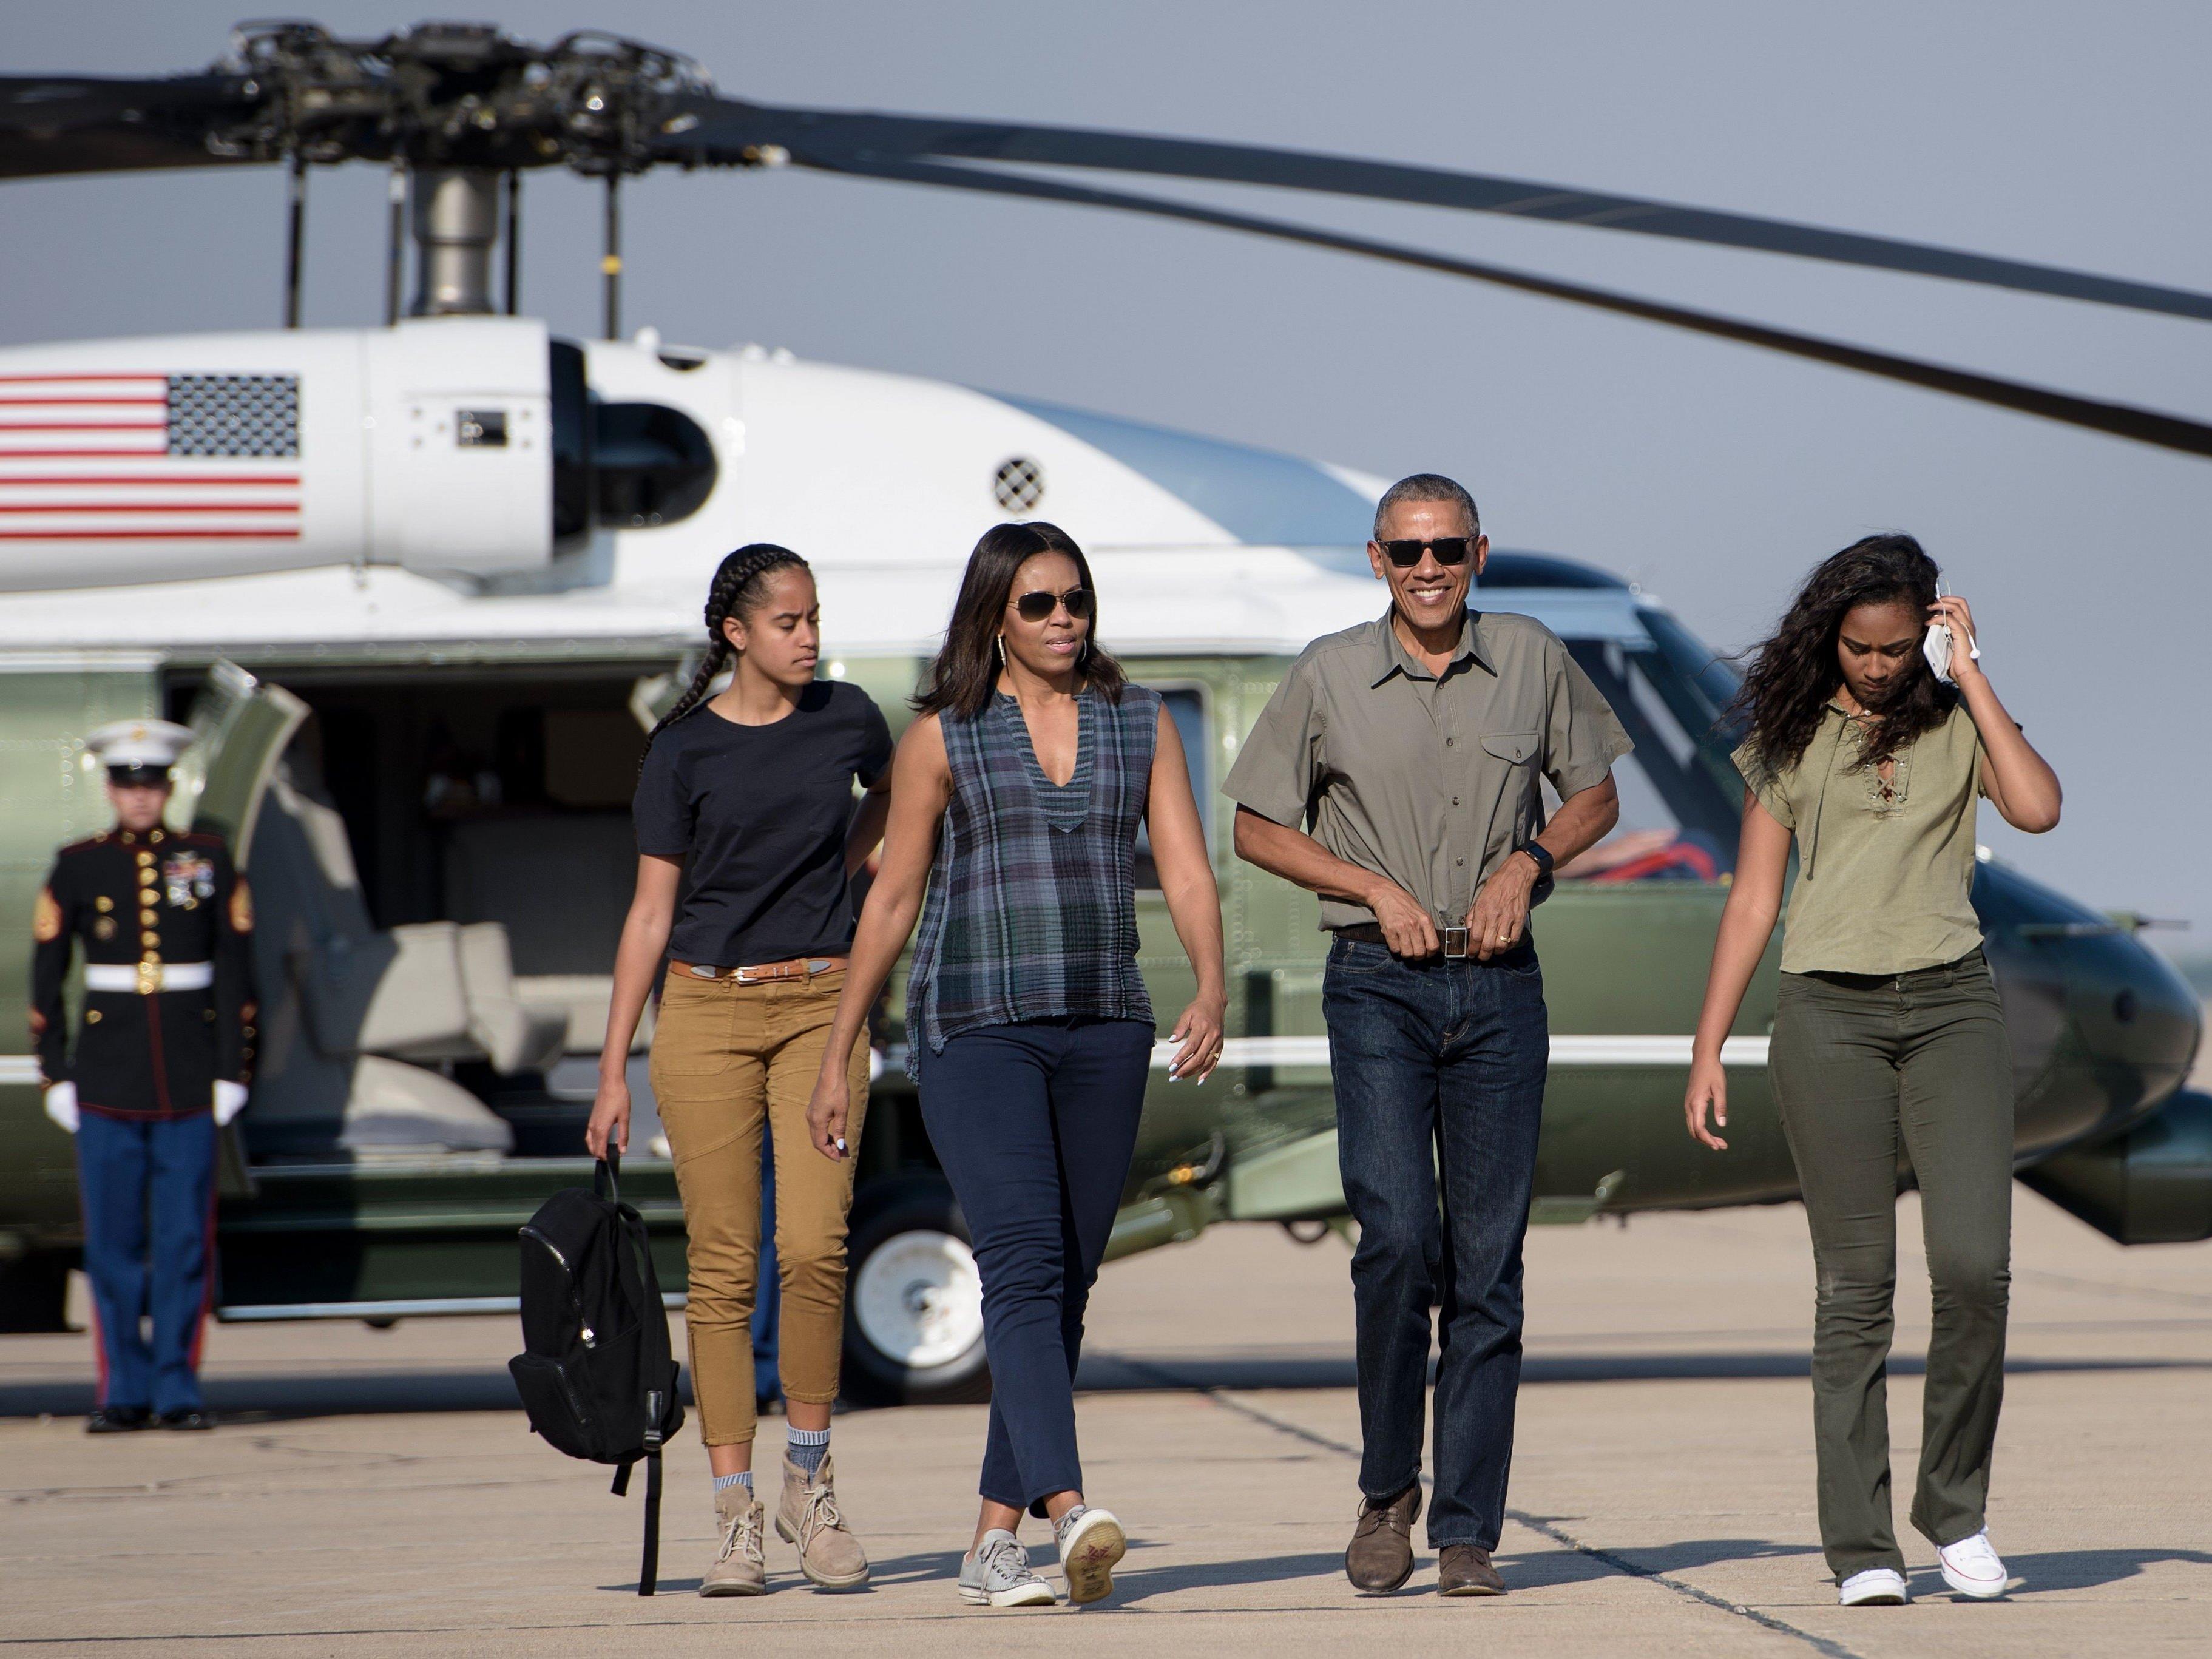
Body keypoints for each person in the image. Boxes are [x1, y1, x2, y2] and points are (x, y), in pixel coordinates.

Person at [805, 521, 1226, 1609]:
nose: (1063, 617)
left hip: (1105, 1025)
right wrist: (844, 1040)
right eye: (1038, 602)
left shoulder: (1139, 721)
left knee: (1065, 1281)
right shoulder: (945, 736)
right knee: (1025, 1262)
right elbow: (892, 894)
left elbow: (1183, 865)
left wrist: (1211, 983)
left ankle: (991, 1543)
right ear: (996, 614)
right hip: (974, 1024)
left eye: (1075, 597)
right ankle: (1066, 1505)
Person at [1226, 473, 1631, 1597]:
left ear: (1481, 551)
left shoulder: (1535, 656)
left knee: (1491, 1265)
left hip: (1502, 988)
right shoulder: (1329, 672)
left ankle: (1466, 1528)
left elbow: (1595, 794)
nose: (1429, 568)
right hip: (1377, 981)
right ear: (1376, 561)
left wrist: (1529, 861)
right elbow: (1258, 824)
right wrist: (1368, 883)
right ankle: (1383, 1491)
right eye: (1407, 552)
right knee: (1400, 1235)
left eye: (1448, 547)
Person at [1684, 534, 2060, 1607]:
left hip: (1953, 1008)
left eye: (1899, 647)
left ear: (1929, 632)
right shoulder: (1789, 734)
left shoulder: (1960, 720)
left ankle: (1957, 1513)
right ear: (1830, 634)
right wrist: (1709, 1042)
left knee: (1976, 1269)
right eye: (1860, 645)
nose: (1878, 665)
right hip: (1827, 1016)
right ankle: (1860, 1543)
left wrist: (1973, 673)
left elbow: (2036, 807)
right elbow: (1755, 897)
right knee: (1856, 1288)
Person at [587, 544, 893, 1598]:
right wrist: (613, 1067)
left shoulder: (849, 718)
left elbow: (897, 816)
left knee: (813, 1245)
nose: (809, 637)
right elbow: (649, 911)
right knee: (722, 1266)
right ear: (737, 632)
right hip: (704, 1009)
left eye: (815, 618)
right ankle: (734, 1514)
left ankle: (811, 1484)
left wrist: (849, 878)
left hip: (822, 1002)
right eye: (789, 622)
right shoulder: (681, 751)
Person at [30, 719, 255, 1433]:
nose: (140, 796)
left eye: (151, 782)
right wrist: (55, 1072)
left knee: (185, 1241)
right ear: (110, 789)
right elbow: (46, 975)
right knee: (113, 1246)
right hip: (105, 1080)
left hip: (188, 1077)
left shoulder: (208, 857)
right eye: (128, 784)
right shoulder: (78, 864)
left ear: (168, 787)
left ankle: (178, 1388)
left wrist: (233, 1068)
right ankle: (122, 1389)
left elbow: (237, 970)